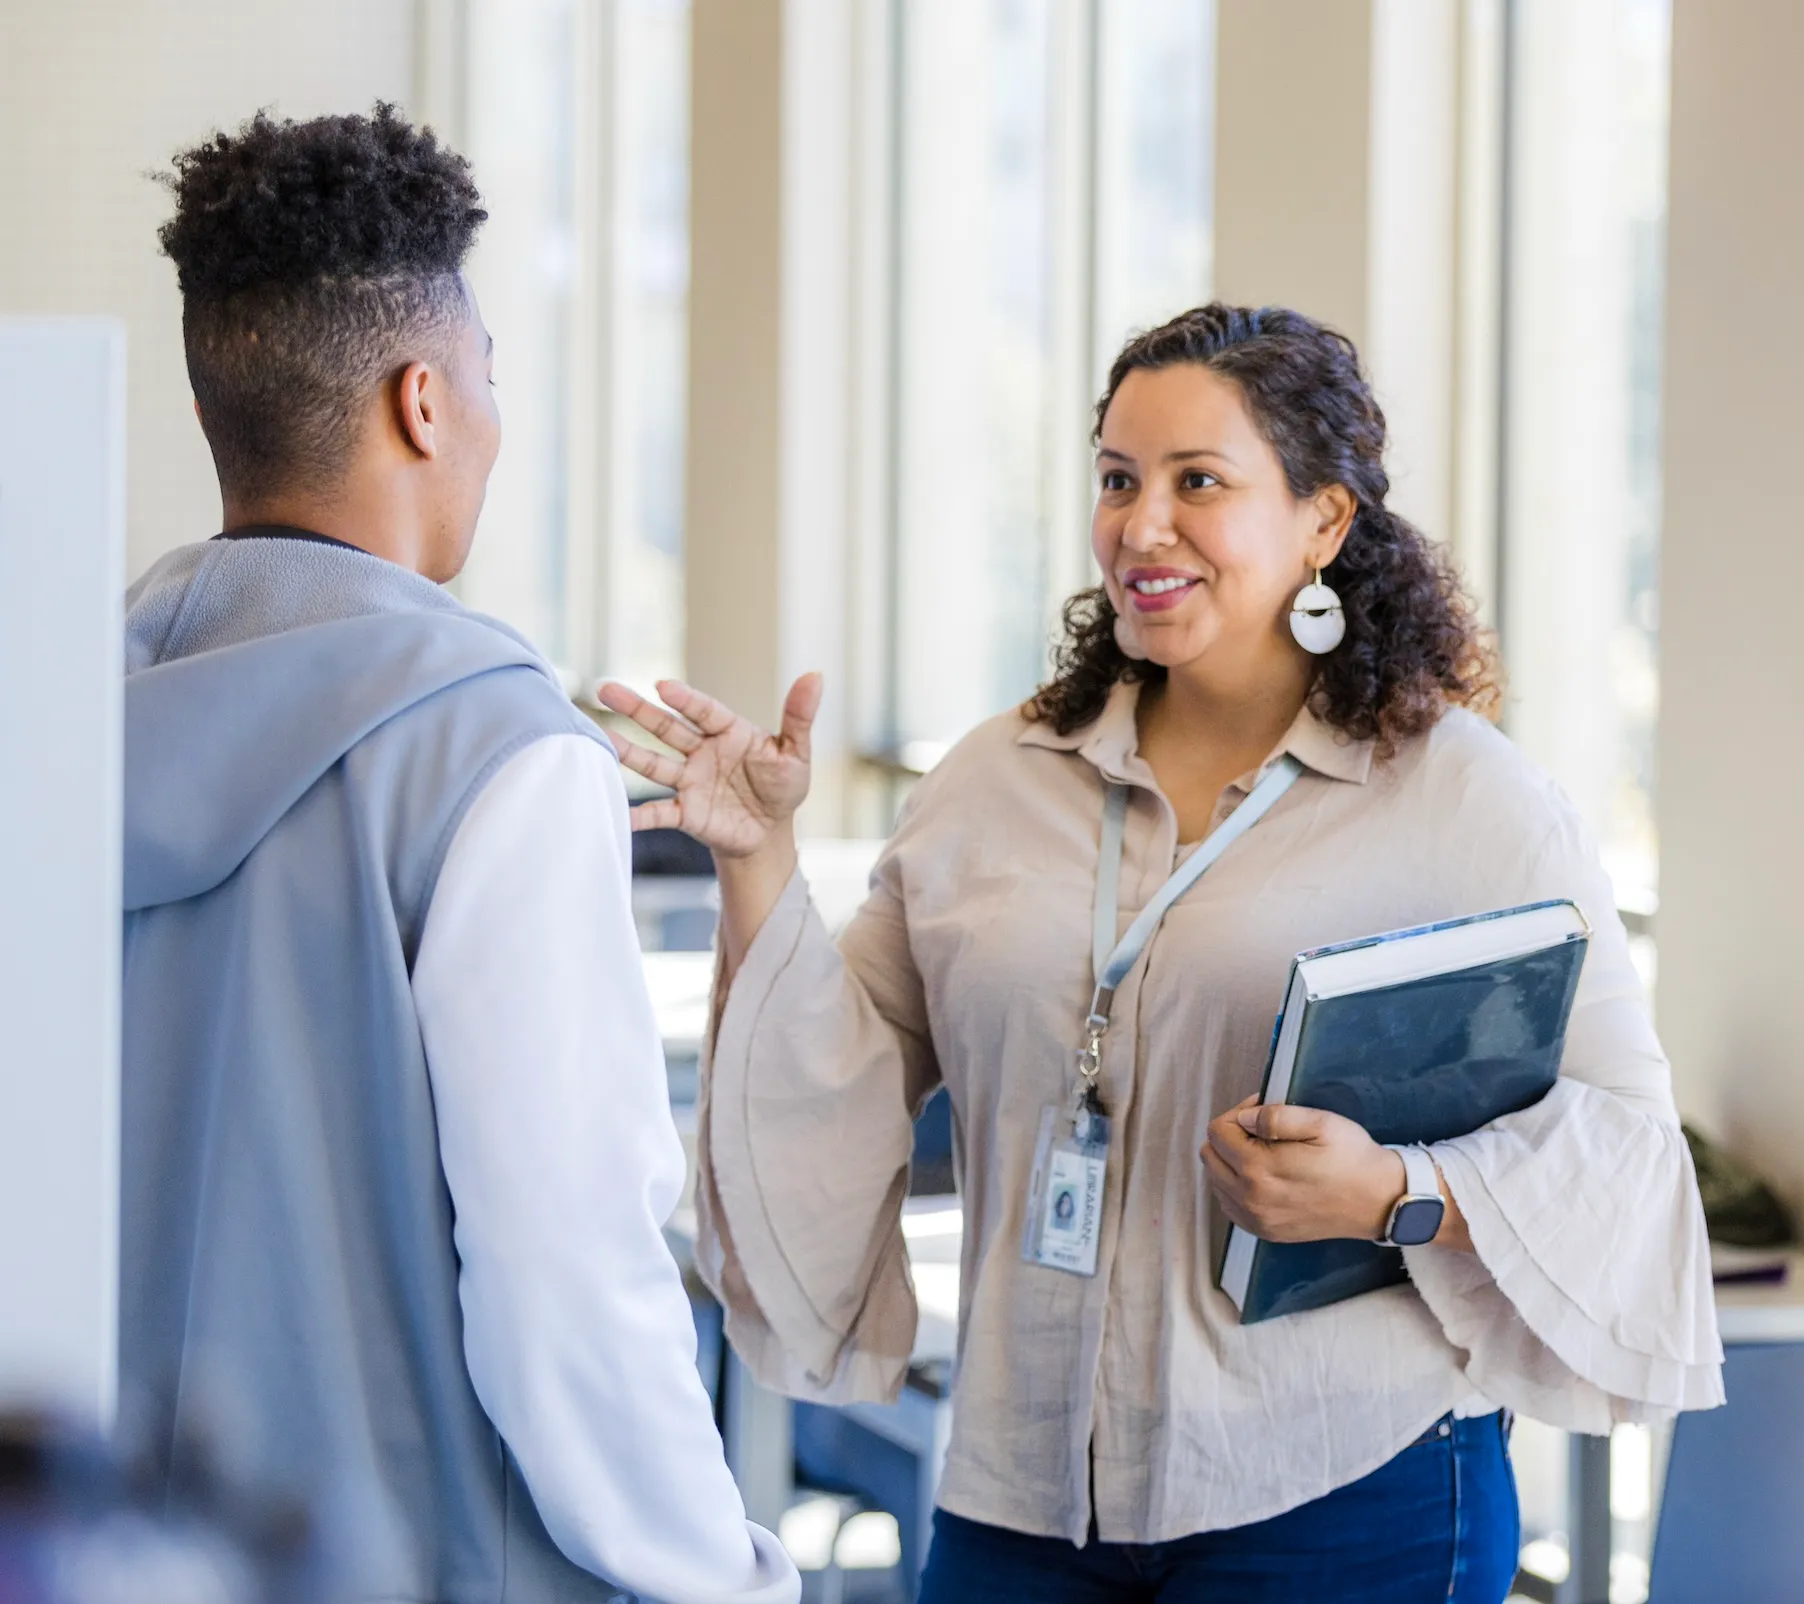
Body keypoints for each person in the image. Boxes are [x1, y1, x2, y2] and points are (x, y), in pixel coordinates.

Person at [601, 306, 1722, 1603]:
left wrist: (1397, 1192)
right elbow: (834, 1080)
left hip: (1340, 1497)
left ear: (1322, 522)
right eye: (1118, 480)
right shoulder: (993, 779)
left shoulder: (1463, 800)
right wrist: (757, 864)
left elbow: (1632, 1157)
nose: (1142, 526)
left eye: (1200, 483)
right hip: (1016, 1495)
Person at [121, 105, 797, 1604]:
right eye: (490, 378)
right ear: (423, 402)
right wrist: (714, 1573)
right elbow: (567, 1276)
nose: (493, 417)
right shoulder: (493, 751)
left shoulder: (66, 722)